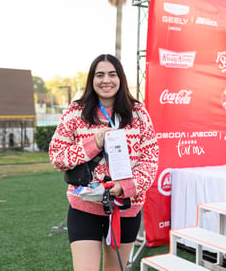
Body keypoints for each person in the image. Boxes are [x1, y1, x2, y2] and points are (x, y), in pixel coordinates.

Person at [49, 54, 159, 271]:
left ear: (121, 79)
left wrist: (124, 187)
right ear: (92, 79)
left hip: (125, 207)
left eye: (112, 74)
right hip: (85, 206)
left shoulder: (139, 113)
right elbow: (57, 156)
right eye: (100, 75)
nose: (106, 80)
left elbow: (150, 160)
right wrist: (93, 143)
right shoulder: (75, 112)